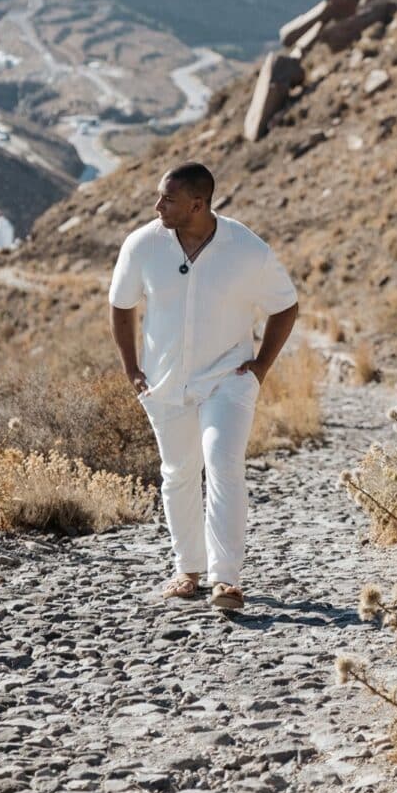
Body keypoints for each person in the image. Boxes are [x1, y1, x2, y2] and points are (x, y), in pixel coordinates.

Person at [108, 162, 299, 610]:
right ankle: (187, 570)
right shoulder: (141, 245)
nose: (157, 206)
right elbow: (120, 306)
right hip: (164, 384)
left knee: (222, 464)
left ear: (197, 204)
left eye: (167, 199)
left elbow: (285, 306)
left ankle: (226, 580)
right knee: (177, 473)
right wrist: (132, 370)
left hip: (228, 380)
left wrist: (261, 366)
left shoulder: (246, 249)